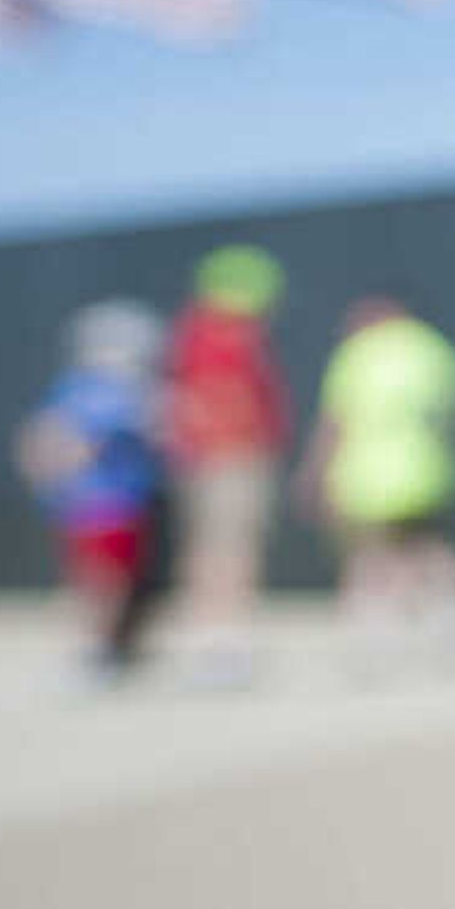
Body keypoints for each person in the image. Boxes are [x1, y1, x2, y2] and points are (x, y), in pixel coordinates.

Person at [304, 296, 455, 671]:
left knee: (369, 555)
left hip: (367, 475)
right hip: (425, 471)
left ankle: (373, 634)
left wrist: (315, 474)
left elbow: (335, 421)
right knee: (426, 547)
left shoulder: (360, 353)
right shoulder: (432, 350)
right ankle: (449, 616)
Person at [16, 301, 167, 680]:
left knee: (96, 580)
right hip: (108, 506)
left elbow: (37, 441)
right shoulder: (113, 392)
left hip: (98, 505)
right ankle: (94, 650)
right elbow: (66, 443)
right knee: (103, 582)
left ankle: (98, 649)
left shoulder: (71, 388)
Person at [164, 244, 291, 674]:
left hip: (212, 458)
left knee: (214, 550)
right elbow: (215, 398)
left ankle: (215, 640)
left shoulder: (196, 333)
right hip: (230, 457)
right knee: (229, 552)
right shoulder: (223, 335)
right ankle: (222, 644)